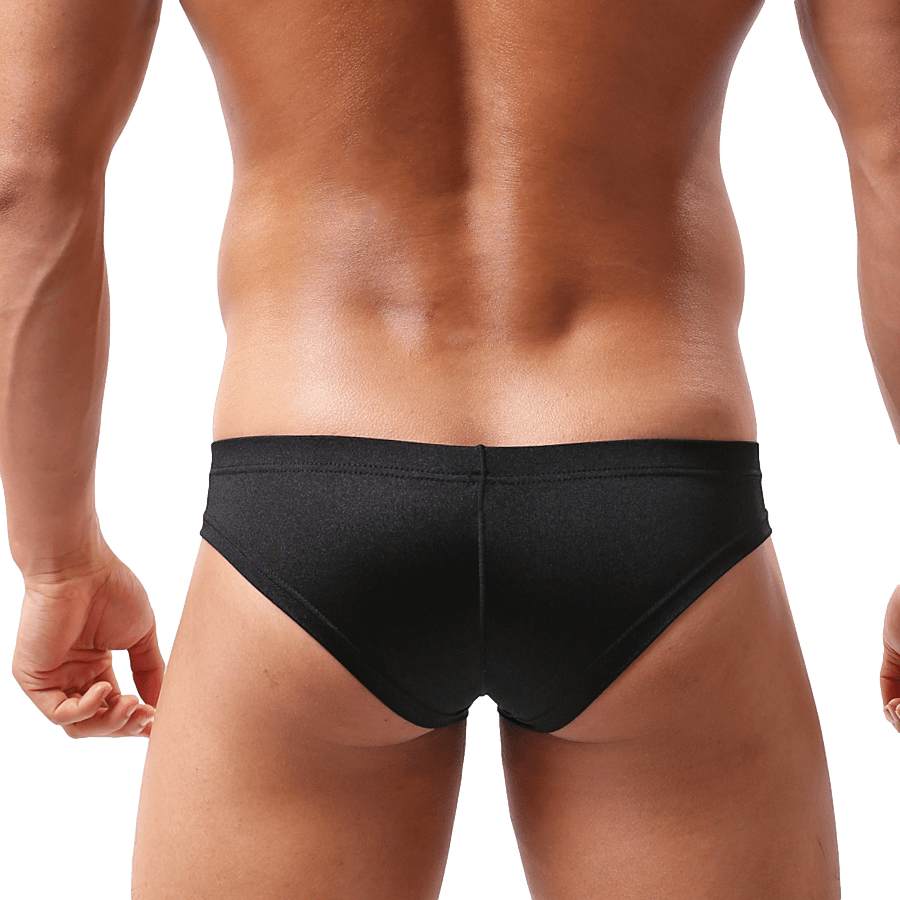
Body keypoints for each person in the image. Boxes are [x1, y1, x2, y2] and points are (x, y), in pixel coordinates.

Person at [1, 0, 897, 896]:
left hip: (308, 488)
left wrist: (57, 560)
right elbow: (891, 149)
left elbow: (27, 181)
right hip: (650, 481)